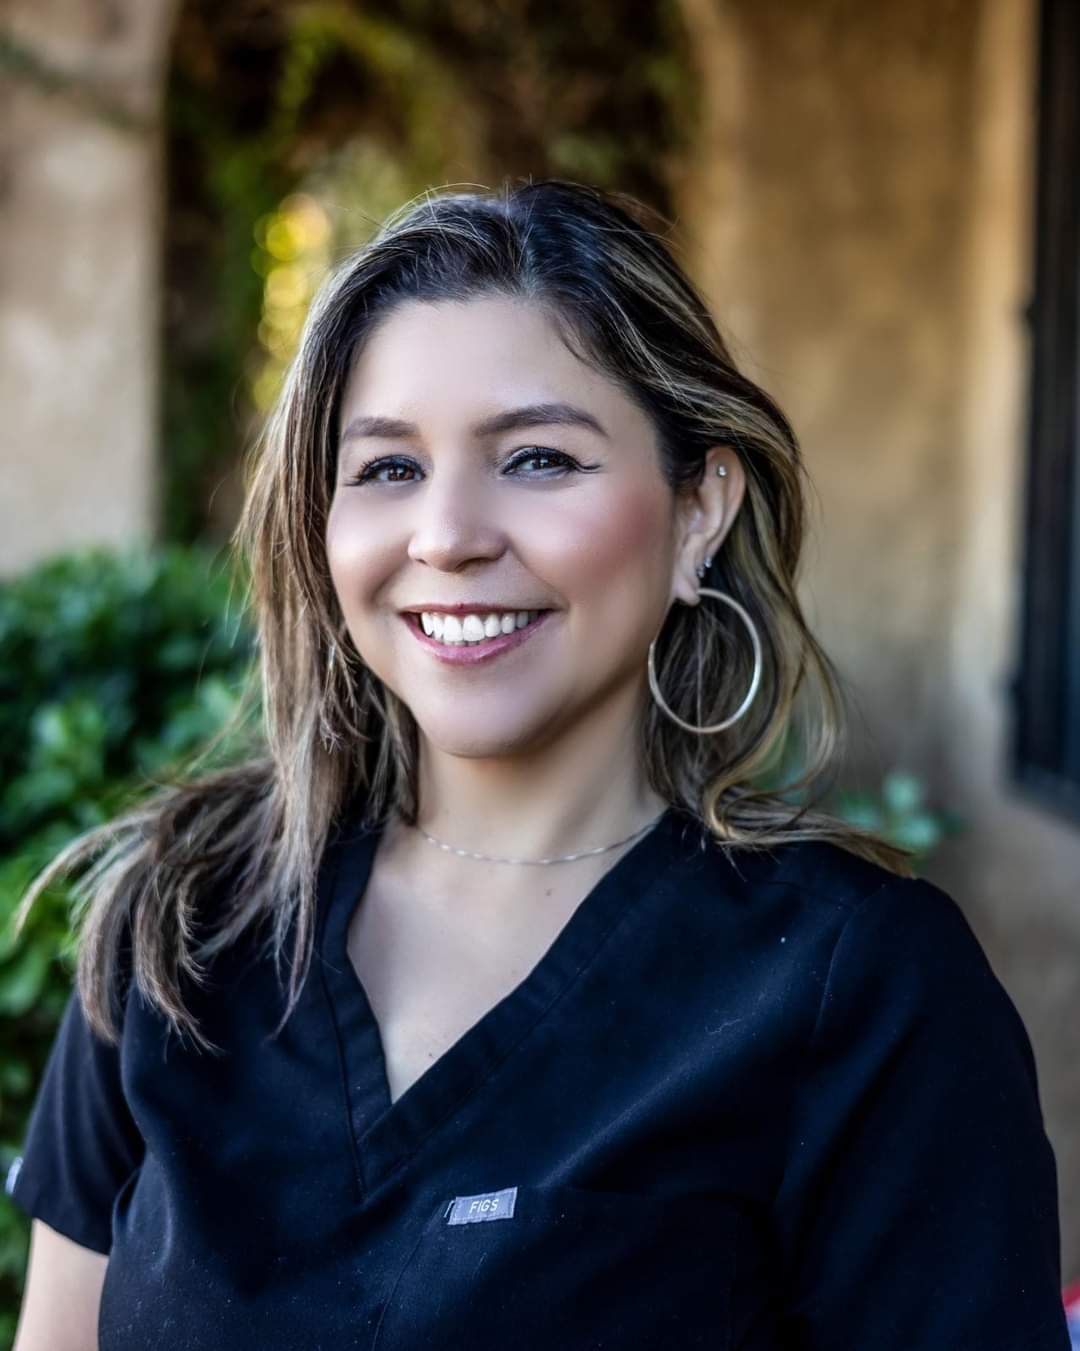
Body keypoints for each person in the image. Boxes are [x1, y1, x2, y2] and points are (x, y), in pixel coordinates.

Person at [7, 178, 1070, 1350]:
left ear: (699, 511)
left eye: (538, 459)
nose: (449, 535)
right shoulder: (183, 922)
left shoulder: (863, 990)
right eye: (389, 468)